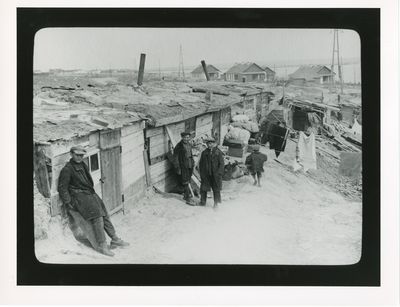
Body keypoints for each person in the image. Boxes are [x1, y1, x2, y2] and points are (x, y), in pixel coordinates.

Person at [58, 146, 129, 257]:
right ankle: (102, 245)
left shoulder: (82, 165)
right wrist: (69, 203)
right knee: (97, 216)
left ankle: (115, 238)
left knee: (104, 214)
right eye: (77, 155)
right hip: (79, 197)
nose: (79, 157)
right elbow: (62, 188)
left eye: (81, 155)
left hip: (90, 194)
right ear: (71, 154)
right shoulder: (67, 169)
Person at [199, 137, 225, 208]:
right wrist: (202, 174)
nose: (210, 145)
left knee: (216, 189)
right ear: (206, 144)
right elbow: (201, 164)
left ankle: (216, 203)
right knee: (203, 188)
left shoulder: (218, 152)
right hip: (206, 174)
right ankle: (203, 201)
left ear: (214, 144)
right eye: (208, 144)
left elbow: (221, 164)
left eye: (211, 143)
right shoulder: (204, 153)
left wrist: (219, 173)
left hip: (215, 174)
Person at [173, 132, 195, 204]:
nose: (186, 139)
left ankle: (186, 195)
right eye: (185, 137)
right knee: (185, 181)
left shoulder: (189, 144)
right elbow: (175, 158)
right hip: (183, 165)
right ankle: (187, 197)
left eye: (188, 137)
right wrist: (178, 168)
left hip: (189, 164)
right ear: (182, 137)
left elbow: (191, 154)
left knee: (188, 179)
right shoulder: (179, 146)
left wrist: (193, 162)